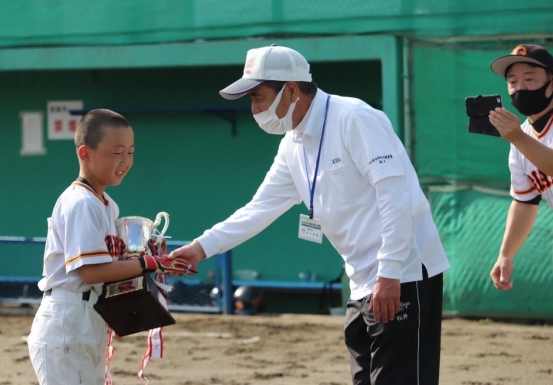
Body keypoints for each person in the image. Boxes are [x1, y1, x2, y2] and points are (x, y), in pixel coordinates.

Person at [170, 45, 450, 384]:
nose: (255, 109)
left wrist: (390, 272)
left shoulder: (354, 117)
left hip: (403, 273)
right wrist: (201, 247)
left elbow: (396, 193)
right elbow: (260, 207)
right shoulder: (293, 143)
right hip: (362, 281)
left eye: (258, 97)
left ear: (290, 89)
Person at [26, 109, 194, 385]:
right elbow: (91, 273)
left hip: (87, 316)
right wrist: (148, 264)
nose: (126, 161)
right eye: (117, 152)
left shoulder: (107, 204)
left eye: (130, 152)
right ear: (85, 153)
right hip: (68, 316)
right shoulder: (81, 202)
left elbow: (111, 270)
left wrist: (153, 262)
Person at [488, 44, 553, 290]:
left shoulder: (519, 138)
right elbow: (525, 202)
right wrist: (506, 254)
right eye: (513, 81)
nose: (520, 87)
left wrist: (518, 138)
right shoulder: (522, 137)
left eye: (529, 78)